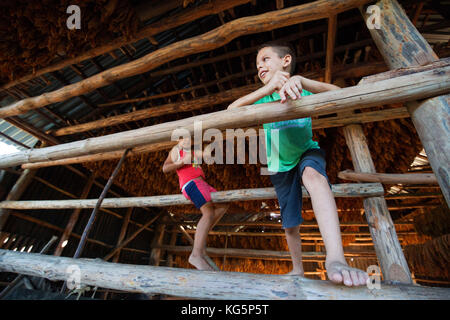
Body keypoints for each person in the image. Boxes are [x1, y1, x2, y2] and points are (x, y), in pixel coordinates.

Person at [228, 41, 369, 286]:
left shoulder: (301, 89)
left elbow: (340, 93)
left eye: (265, 59)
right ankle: (297, 268)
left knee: (314, 177)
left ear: (286, 61)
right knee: (290, 221)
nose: (259, 65)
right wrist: (268, 88)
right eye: (257, 63)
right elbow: (231, 111)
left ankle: (336, 258)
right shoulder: (263, 100)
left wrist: (303, 81)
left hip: (306, 151)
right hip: (278, 164)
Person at [162, 136, 228, 271]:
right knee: (208, 213)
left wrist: (215, 142)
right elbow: (165, 168)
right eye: (184, 139)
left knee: (224, 204)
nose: (187, 141)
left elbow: (205, 153)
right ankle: (196, 254)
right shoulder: (175, 151)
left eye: (190, 139)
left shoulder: (192, 152)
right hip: (191, 183)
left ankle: (200, 242)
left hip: (202, 183)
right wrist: (180, 163)